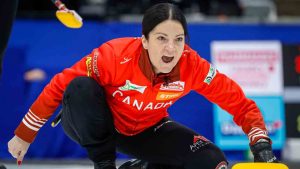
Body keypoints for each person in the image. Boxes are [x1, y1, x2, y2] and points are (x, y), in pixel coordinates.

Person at [8, 3, 278, 169]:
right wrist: (24, 134)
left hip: (145, 129)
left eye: (179, 39)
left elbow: (240, 104)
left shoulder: (193, 66)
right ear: (145, 40)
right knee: (80, 87)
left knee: (212, 160)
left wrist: (261, 144)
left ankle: (144, 167)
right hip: (94, 122)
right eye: (161, 38)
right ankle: (105, 165)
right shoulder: (114, 56)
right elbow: (60, 86)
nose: (170, 48)